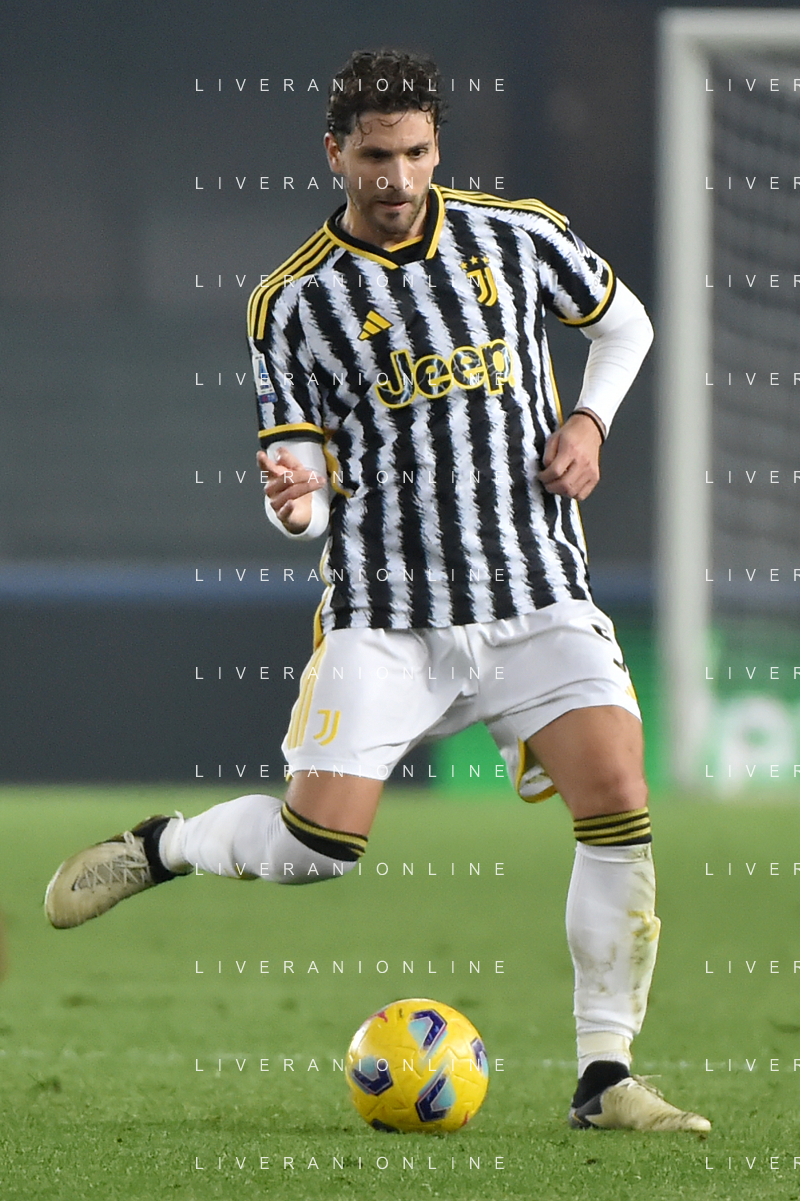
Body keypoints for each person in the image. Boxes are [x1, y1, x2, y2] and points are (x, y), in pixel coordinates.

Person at [45, 48, 709, 1134]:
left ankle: (604, 1077)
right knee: (317, 851)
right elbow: (297, 494)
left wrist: (589, 420)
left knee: (618, 806)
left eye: (413, 153)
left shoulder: (517, 235)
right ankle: (166, 844)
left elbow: (623, 323)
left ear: (436, 147)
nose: (395, 177)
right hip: (387, 613)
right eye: (374, 157)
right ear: (334, 153)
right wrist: (297, 502)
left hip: (535, 591)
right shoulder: (292, 301)